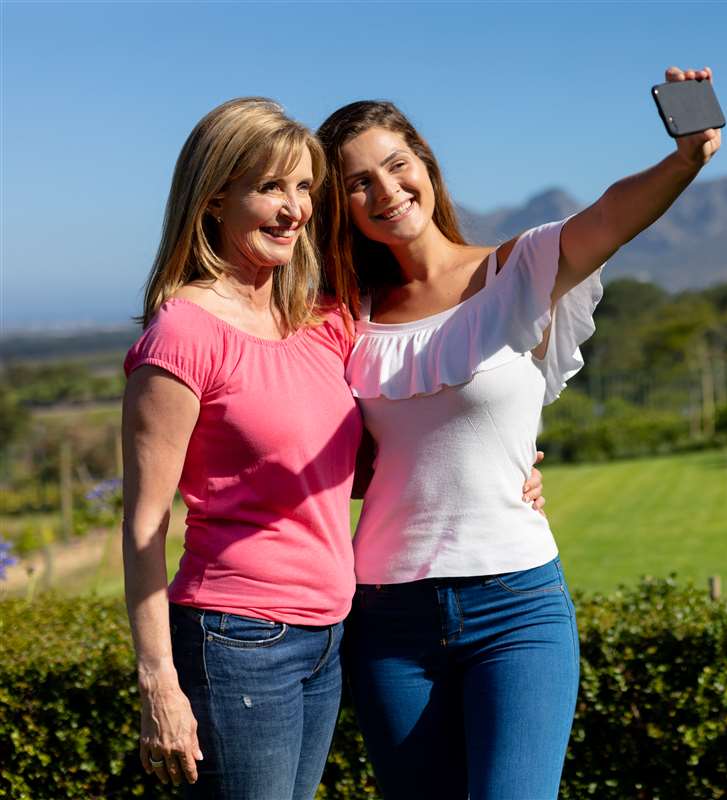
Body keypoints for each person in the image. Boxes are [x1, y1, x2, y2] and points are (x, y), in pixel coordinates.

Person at [121, 97, 545, 799]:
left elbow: (369, 455)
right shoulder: (183, 336)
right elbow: (143, 526)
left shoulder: (321, 318)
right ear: (215, 198)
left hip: (329, 634)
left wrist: (507, 469)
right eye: (270, 188)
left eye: (304, 189)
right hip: (236, 637)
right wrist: (158, 682)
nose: (294, 210)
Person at [316, 66, 721, 799]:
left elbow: (611, 215)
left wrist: (685, 157)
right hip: (388, 617)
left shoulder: (520, 268)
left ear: (424, 164)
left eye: (396, 166)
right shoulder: (347, 315)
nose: (385, 191)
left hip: (517, 608)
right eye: (357, 183)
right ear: (340, 206)